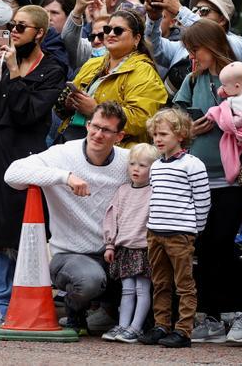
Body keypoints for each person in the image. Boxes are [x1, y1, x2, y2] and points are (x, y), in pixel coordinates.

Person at [0, 5, 67, 330]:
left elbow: (28, 113)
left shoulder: (52, 68)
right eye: (12, 25)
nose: (14, 31)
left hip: (25, 156)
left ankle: (18, 303)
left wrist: (13, 70)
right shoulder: (0, 59)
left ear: (39, 33)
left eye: (21, 27)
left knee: (18, 230)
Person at [172, 19, 242, 344]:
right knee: (202, 245)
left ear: (211, 46)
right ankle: (212, 315)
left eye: (195, 49)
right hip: (199, 176)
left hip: (241, 174)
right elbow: (177, 116)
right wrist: (190, 127)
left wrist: (231, 121)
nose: (191, 56)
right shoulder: (192, 78)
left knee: (222, 241)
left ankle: (240, 312)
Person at [3, 101, 132, 332]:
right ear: (87, 125)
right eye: (95, 126)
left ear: (119, 136)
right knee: (90, 280)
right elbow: (12, 174)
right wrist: (65, 177)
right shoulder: (62, 154)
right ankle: (75, 311)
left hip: (114, 252)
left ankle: (111, 313)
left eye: (106, 130)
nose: (98, 134)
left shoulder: (127, 161)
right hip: (70, 254)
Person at [138, 108, 211, 348]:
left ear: (180, 135)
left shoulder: (193, 164)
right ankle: (161, 325)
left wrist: (194, 228)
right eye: (155, 135)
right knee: (160, 282)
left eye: (163, 134)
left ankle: (184, 330)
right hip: (155, 232)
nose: (157, 139)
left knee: (184, 284)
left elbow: (202, 200)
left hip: (180, 234)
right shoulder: (156, 166)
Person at [60, 9, 167, 147]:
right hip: (74, 139)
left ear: (136, 39)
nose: (110, 34)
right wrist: (70, 104)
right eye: (107, 29)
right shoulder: (92, 63)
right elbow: (61, 110)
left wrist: (97, 111)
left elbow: (142, 120)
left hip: (113, 151)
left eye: (118, 30)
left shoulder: (144, 71)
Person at [101, 143, 159, 343]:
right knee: (127, 289)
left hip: (144, 249)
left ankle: (136, 327)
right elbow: (112, 217)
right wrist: (110, 244)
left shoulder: (154, 192)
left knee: (143, 289)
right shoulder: (123, 190)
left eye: (143, 165)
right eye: (133, 164)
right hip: (124, 249)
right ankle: (123, 325)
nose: (136, 169)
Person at [144, 0, 242, 78]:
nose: (197, 14)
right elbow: (152, 48)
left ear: (222, 19)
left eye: (204, 10)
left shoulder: (237, 44)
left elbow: (211, 37)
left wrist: (180, 11)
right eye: (194, 10)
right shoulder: (182, 47)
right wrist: (153, 18)